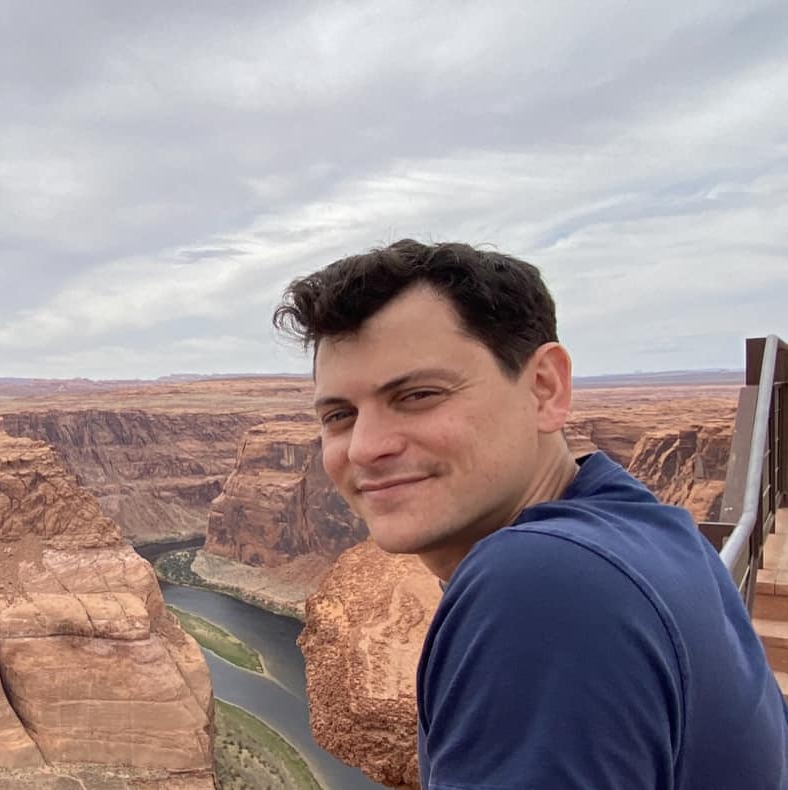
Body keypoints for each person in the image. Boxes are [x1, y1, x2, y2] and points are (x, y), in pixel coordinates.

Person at [273, 239, 788, 789]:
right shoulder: (648, 527)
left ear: (545, 388)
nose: (364, 448)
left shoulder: (538, 584)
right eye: (339, 415)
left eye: (419, 394)